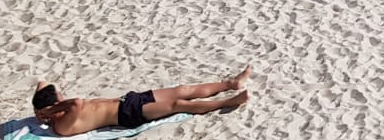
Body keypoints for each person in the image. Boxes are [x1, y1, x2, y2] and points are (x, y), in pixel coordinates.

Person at [30, 67, 250, 136]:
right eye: (59, 98)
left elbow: (42, 83)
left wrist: (44, 108)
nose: (63, 97)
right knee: (179, 105)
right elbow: (76, 102)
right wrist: (51, 109)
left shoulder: (58, 109)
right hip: (127, 115)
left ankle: (231, 83)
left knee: (182, 90)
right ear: (52, 107)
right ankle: (229, 101)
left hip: (128, 100)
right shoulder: (61, 125)